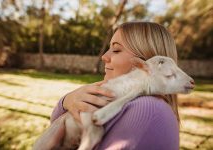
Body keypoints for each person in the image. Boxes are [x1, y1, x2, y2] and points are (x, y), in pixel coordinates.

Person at [35, 22, 179, 150]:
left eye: (116, 50)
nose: (104, 56)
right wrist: (67, 102)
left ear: (143, 65)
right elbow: (58, 127)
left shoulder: (148, 108)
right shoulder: (123, 100)